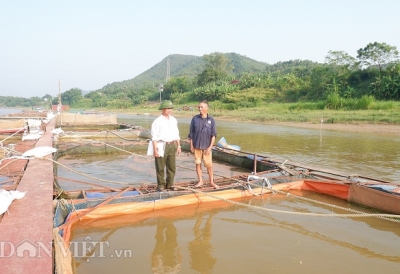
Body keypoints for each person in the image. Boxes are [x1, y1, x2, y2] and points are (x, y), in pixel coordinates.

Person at [150, 100, 181, 191]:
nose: (169, 110)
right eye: (168, 108)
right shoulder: (157, 121)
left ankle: (170, 184)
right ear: (163, 109)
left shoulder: (173, 120)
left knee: (172, 166)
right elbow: (154, 137)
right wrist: (155, 150)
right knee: (160, 166)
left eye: (171, 108)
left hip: (172, 144)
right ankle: (161, 185)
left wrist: (178, 146)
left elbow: (176, 134)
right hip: (161, 145)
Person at [188, 100, 219, 189]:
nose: (200, 109)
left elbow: (213, 135)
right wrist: (191, 145)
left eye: (201, 107)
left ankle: (211, 182)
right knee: (198, 164)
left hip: (207, 147)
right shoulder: (195, 119)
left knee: (209, 165)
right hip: (197, 146)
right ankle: (200, 181)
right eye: (199, 107)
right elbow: (191, 134)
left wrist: (210, 147)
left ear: (206, 108)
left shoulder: (211, 120)